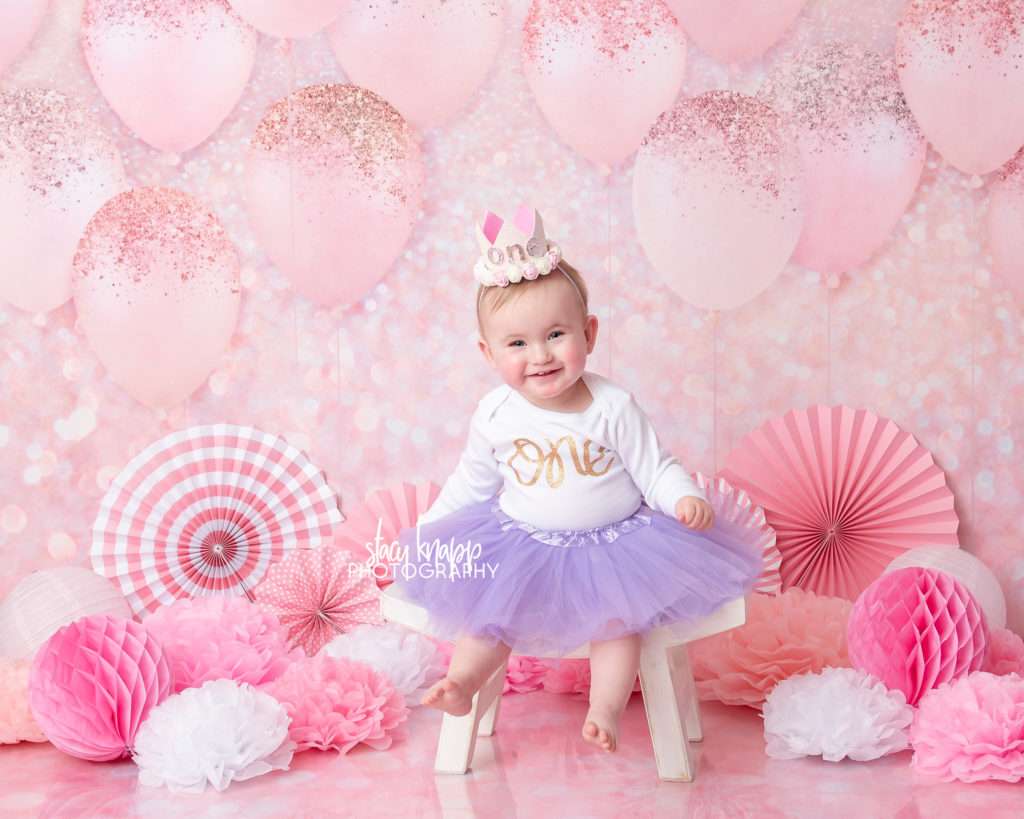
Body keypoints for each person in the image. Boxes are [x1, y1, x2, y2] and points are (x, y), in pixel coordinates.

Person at [394, 205, 762, 753]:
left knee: (618, 623)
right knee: (488, 616)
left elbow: (653, 465)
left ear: (588, 333)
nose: (539, 356)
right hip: (520, 542)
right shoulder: (496, 414)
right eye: (516, 344)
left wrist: (681, 497)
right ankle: (463, 682)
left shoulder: (612, 406)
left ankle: (604, 710)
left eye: (556, 334)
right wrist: (431, 530)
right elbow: (469, 482)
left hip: (613, 546)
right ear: (487, 352)